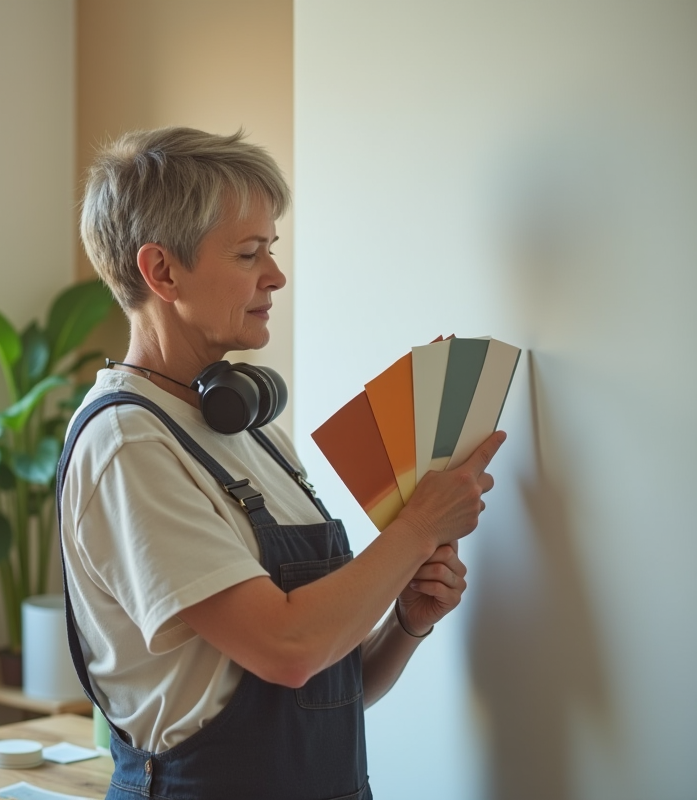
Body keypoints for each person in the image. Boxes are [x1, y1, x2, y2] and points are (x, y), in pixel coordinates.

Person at [57, 127, 505, 800]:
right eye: (248, 254)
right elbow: (289, 650)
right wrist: (415, 530)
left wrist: (406, 622)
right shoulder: (130, 445)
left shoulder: (249, 433)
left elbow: (331, 685)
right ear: (162, 271)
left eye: (272, 249)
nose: (276, 276)